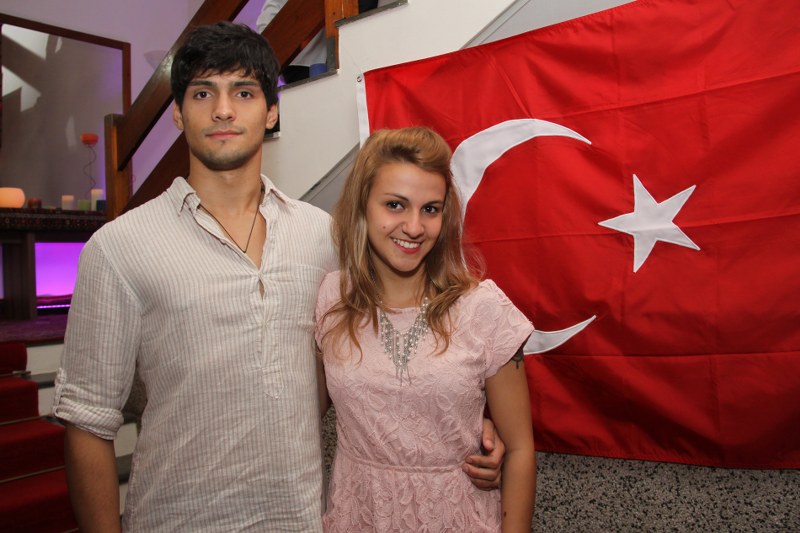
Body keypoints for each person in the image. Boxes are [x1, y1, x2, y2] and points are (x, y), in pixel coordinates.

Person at [53, 22, 502, 532]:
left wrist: (466, 419)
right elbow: (87, 422)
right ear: (177, 112)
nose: (223, 110)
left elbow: (385, 353)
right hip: (175, 519)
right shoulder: (119, 248)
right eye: (203, 93)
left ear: (271, 111)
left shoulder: (322, 237)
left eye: (244, 92)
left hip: (301, 519)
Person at [315, 127, 537, 531]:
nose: (415, 227)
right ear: (363, 206)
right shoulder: (331, 298)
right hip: (359, 516)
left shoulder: (483, 309)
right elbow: (300, 411)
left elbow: (520, 449)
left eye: (430, 209)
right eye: (395, 205)